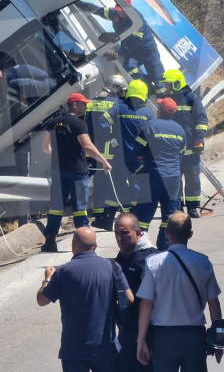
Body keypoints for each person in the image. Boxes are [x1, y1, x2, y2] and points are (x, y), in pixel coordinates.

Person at [37, 226, 133, 372]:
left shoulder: (63, 272)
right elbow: (129, 300)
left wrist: (47, 279)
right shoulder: (112, 267)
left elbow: (42, 300)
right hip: (107, 349)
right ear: (96, 246)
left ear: (73, 246)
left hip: (74, 351)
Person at [136, 212, 223, 372]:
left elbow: (146, 303)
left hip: (164, 339)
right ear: (191, 235)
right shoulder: (203, 262)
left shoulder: (153, 263)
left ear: (166, 234)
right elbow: (214, 304)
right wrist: (218, 340)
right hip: (194, 338)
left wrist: (141, 340)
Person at [41, 93, 113, 253]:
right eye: (82, 104)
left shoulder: (53, 123)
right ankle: (85, 244)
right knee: (80, 208)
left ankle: (50, 241)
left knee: (55, 207)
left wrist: (55, 154)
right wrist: (104, 161)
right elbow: (87, 146)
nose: (85, 106)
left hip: (58, 171)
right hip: (77, 172)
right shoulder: (79, 124)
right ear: (74, 105)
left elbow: (44, 146)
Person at [113, 213, 161, 372]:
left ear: (138, 233)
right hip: (126, 334)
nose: (120, 238)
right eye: (117, 233)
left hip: (148, 336)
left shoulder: (150, 260)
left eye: (125, 233)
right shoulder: (119, 261)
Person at [133, 97, 186, 251]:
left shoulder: (149, 126)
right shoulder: (180, 130)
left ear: (160, 110)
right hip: (173, 177)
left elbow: (137, 150)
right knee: (169, 215)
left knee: (144, 213)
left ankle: (140, 247)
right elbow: (181, 153)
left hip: (153, 175)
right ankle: (164, 247)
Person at [100, 79, 153, 216]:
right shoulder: (147, 113)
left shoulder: (119, 107)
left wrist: (110, 138)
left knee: (117, 185)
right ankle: (134, 215)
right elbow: (153, 135)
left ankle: (108, 217)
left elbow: (102, 122)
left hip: (120, 156)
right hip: (139, 158)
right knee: (137, 186)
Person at [161, 69, 209, 218]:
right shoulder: (165, 100)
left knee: (193, 179)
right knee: (175, 181)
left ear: (176, 84)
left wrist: (198, 140)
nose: (166, 87)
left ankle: (193, 207)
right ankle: (178, 207)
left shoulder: (192, 99)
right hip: (173, 150)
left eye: (168, 84)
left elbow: (201, 120)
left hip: (190, 149)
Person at [85, 75, 127, 230]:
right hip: (108, 151)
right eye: (122, 90)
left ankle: (98, 215)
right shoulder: (116, 103)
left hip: (90, 149)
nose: (123, 94)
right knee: (109, 184)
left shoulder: (92, 101)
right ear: (115, 88)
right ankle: (106, 215)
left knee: (96, 185)